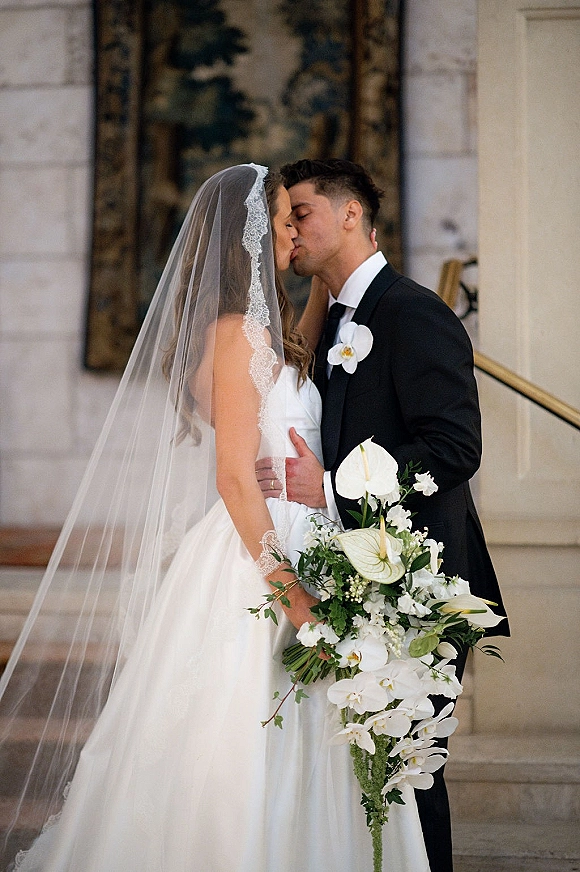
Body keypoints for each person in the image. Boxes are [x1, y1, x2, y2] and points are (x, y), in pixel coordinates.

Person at [0, 165, 431, 871]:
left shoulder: (265, 332)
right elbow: (235, 478)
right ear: (251, 237)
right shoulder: (237, 336)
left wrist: (331, 272)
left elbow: (294, 363)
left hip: (297, 535)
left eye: (301, 217)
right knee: (240, 751)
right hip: (255, 566)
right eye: (284, 219)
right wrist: (298, 604)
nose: (295, 228)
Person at [257, 158, 510, 872]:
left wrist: (333, 486)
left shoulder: (413, 311)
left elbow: (455, 448)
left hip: (417, 587)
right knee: (364, 789)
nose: (291, 231)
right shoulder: (335, 317)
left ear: (349, 214)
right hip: (357, 582)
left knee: (407, 780)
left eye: (300, 213)